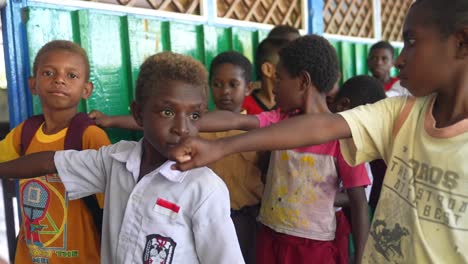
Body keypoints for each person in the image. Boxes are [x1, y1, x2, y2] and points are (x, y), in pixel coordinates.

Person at [169, 1, 468, 263]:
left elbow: (357, 199)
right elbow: (323, 126)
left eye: (411, 42)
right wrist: (221, 147)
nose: (401, 58)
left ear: (462, 42)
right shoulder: (401, 112)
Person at [0, 52, 244, 264]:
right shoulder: (116, 161)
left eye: (194, 115)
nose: (182, 128)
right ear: (138, 114)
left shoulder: (204, 188)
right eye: (168, 112)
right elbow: (50, 161)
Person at [196, 35, 370, 264]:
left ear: (303, 81)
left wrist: (362, 257)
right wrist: (186, 122)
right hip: (270, 238)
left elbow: (359, 203)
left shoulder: (343, 136)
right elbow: (235, 121)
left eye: (279, 78)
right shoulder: (279, 120)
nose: (273, 86)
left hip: (313, 248)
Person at [0, 40, 110, 264]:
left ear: (86, 89)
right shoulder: (25, 133)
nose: (59, 79)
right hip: (30, 256)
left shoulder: (90, 136)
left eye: (71, 76)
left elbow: (111, 206)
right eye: (49, 72)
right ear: (33, 84)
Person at [201, 51, 265, 264]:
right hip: (206, 220)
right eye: (217, 84)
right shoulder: (198, 125)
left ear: (248, 87)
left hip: (247, 220)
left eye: (233, 84)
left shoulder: (258, 129)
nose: (225, 92)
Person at [330, 75, 387, 263]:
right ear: (343, 106)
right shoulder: (342, 137)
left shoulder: (352, 147)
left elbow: (361, 200)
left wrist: (322, 199)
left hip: (331, 233)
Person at [242, 37, 290, 114]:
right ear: (268, 69)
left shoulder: (293, 106)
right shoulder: (243, 106)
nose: (295, 72)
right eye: (289, 66)